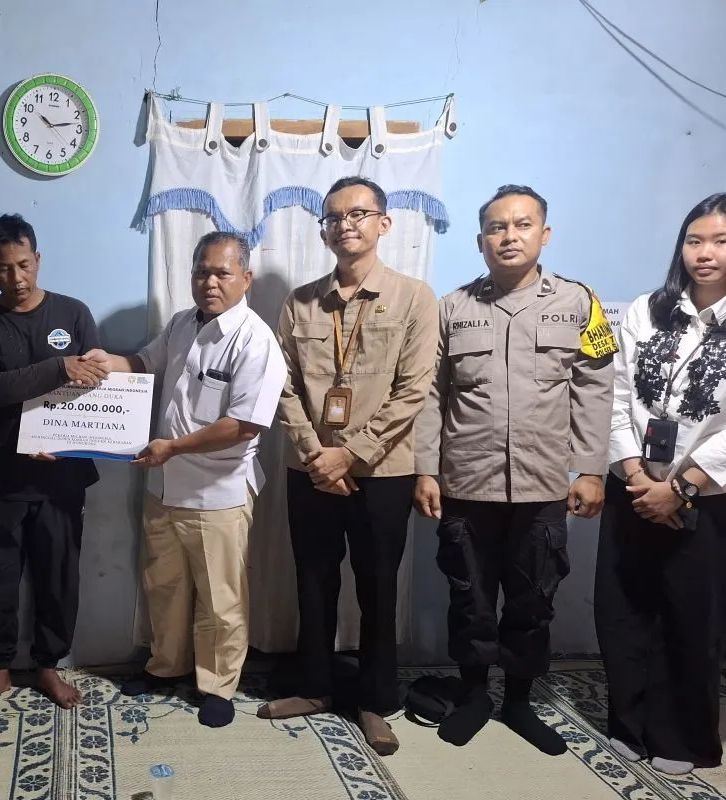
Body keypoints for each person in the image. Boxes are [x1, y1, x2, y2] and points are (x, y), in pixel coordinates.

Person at [414, 185, 615, 755]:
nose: (509, 236)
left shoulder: (581, 303)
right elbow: (430, 395)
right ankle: (475, 696)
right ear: (480, 241)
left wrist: (590, 469)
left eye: (522, 225)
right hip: (466, 484)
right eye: (497, 227)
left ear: (544, 234)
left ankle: (520, 702)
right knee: (469, 598)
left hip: (544, 486)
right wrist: (425, 469)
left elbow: (596, 387)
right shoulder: (451, 308)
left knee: (533, 601)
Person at [265, 176, 438, 756]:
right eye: (335, 217)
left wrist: (351, 452)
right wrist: (318, 454)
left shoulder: (415, 297)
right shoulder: (299, 302)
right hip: (310, 468)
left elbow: (413, 391)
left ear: (383, 224)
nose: (346, 225)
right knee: (313, 580)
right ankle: (314, 687)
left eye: (358, 214)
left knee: (378, 587)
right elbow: (282, 386)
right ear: (324, 231)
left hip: (383, 472)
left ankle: (375, 700)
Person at [89, 231, 286, 728]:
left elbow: (244, 425)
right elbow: (144, 363)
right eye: (201, 272)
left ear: (246, 278)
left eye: (222, 273)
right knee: (165, 586)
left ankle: (217, 685)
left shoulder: (256, 341)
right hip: (163, 486)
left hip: (217, 492)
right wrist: (107, 364)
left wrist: (172, 447)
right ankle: (166, 666)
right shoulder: (182, 323)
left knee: (221, 598)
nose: (209, 282)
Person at [595, 191, 726, 775]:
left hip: (712, 498)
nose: (704, 253)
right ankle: (629, 723)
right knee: (624, 607)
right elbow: (617, 397)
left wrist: (680, 488)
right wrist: (636, 475)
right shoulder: (649, 309)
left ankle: (682, 738)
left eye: (722, 240)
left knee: (692, 617)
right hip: (634, 486)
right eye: (694, 240)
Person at [0, 213, 108, 715]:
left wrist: (60, 436)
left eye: (24, 264)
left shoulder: (73, 313)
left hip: (61, 476)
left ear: (38, 259)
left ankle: (48, 664)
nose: (16, 278)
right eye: (4, 268)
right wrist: (58, 367)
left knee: (58, 577)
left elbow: (93, 388)